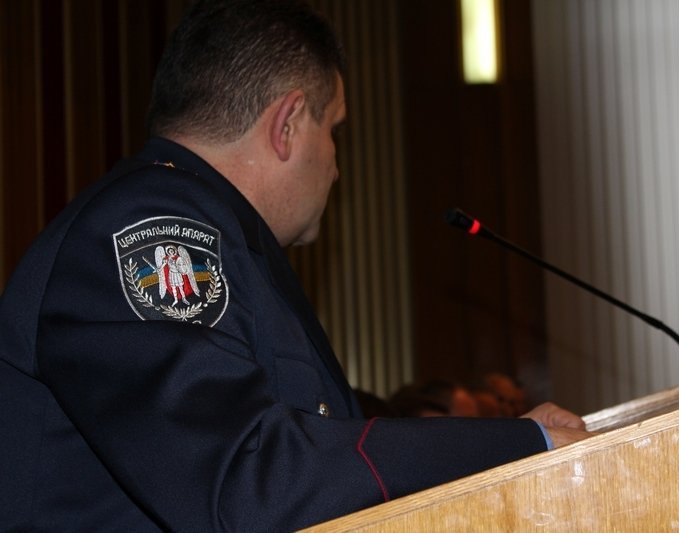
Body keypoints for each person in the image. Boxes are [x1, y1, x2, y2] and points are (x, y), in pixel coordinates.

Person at [0, 0, 592, 530]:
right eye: (334, 131)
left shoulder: (219, 234)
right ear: (287, 124)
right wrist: (523, 444)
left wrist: (516, 437)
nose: (336, 166)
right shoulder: (150, 226)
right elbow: (250, 479)